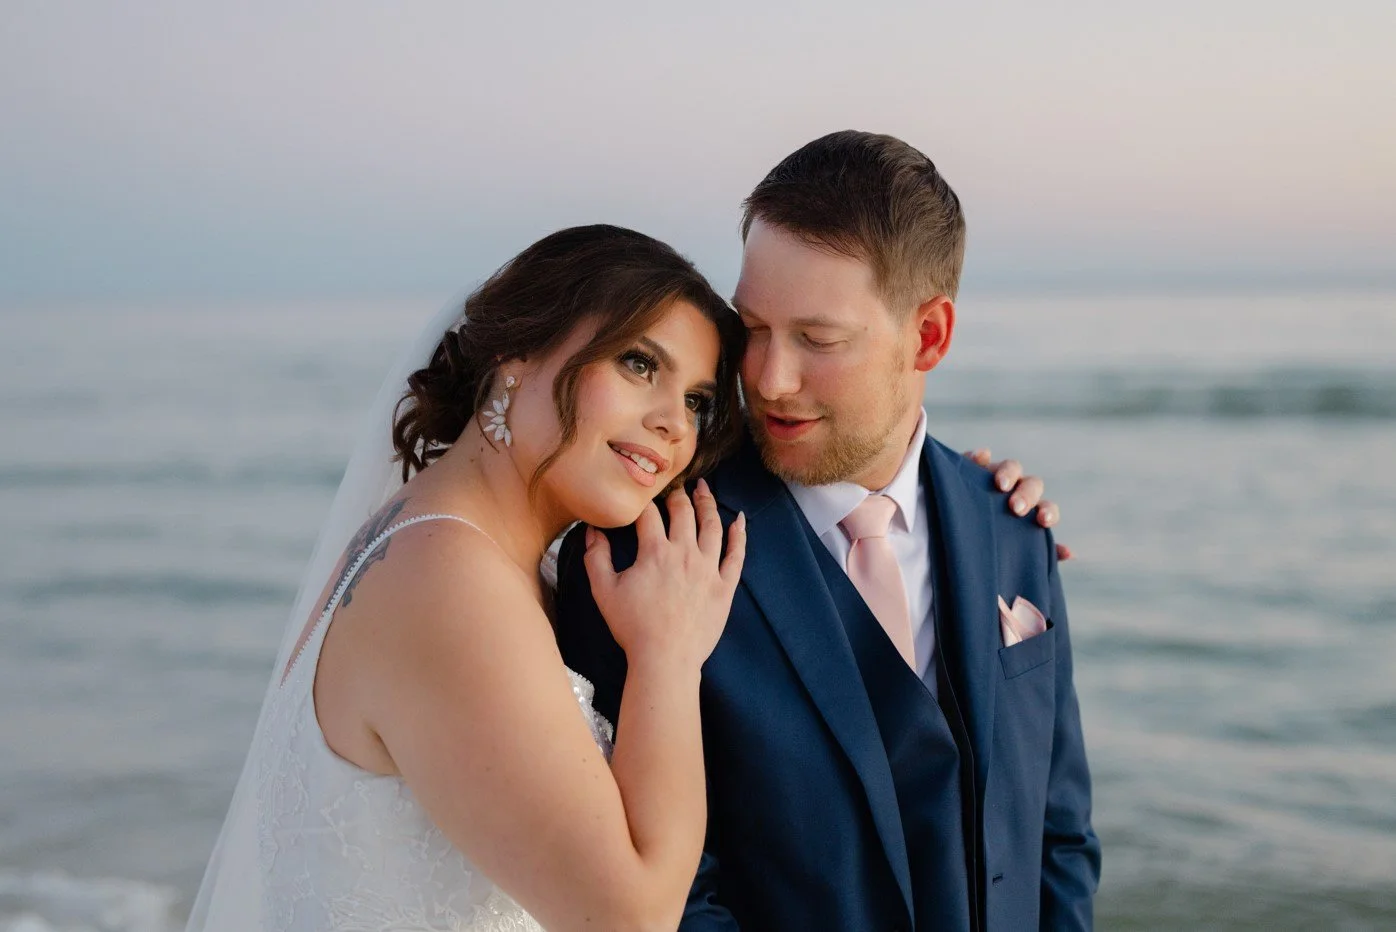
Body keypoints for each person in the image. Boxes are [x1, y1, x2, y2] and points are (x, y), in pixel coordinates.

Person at [556, 132, 1101, 931]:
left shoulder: (1011, 525)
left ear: (929, 338)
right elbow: (665, 900)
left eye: (817, 339)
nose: (769, 380)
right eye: (753, 328)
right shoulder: (645, 552)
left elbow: (1060, 837)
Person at [188, 225, 751, 931]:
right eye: (639, 363)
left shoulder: (445, 544)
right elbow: (632, 918)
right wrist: (668, 655)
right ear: (518, 355)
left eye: (699, 401)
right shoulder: (446, 580)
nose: (674, 422)